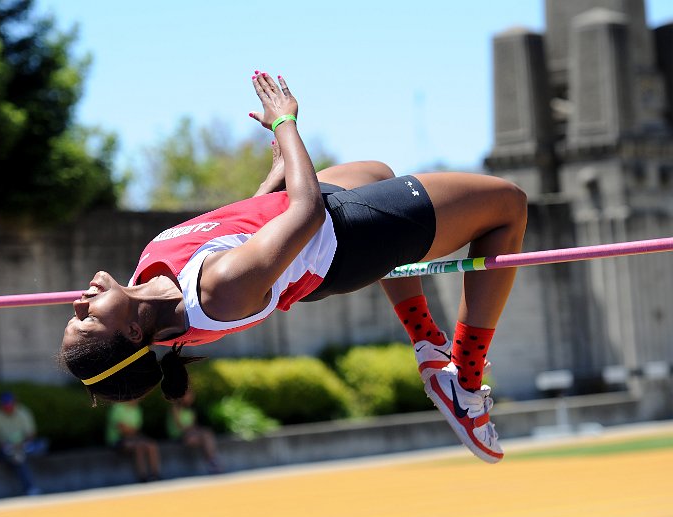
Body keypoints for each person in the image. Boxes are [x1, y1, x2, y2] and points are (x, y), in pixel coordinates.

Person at [60, 72, 527, 464]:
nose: (80, 304)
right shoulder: (218, 292)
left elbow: (243, 225)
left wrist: (276, 171)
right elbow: (304, 214)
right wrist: (285, 123)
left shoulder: (149, 274)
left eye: (74, 314)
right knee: (509, 204)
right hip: (348, 237)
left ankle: (427, 342)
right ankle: (464, 380)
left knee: (379, 170)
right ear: (135, 335)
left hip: (323, 220)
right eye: (88, 321)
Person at [0, 391, 48, 495]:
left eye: (10, 404)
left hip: (24, 446)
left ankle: (24, 456)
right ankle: (30, 488)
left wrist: (22, 444)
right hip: (5, 449)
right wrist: (4, 445)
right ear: (0, 405)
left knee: (42, 444)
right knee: (18, 458)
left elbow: (31, 434)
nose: (8, 407)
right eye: (5, 405)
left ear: (15, 402)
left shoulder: (23, 412)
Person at [167, 383, 221, 473]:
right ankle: (212, 461)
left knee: (206, 433)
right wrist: (193, 430)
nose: (191, 397)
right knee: (203, 439)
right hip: (179, 436)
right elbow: (179, 426)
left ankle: (212, 461)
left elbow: (194, 426)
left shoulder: (191, 410)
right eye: (188, 394)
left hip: (190, 434)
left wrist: (197, 430)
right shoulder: (175, 409)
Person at [106, 399, 161, 482]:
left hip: (133, 438)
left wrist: (131, 431)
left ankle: (155, 475)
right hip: (118, 440)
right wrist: (131, 431)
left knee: (151, 445)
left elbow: (136, 429)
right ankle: (143, 476)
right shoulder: (117, 408)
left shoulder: (137, 409)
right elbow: (121, 429)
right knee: (138, 447)